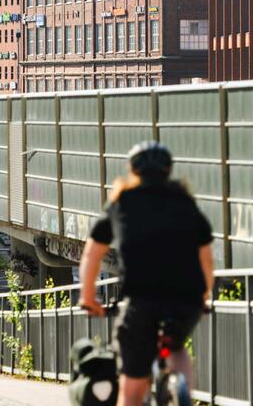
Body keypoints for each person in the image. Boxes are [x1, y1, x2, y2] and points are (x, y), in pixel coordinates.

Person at [78, 142, 214, 406]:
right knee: (176, 346)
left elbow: (92, 255)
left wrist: (88, 297)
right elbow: (206, 257)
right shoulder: (185, 202)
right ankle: (182, 392)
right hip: (186, 300)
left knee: (132, 385)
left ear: (132, 170)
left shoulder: (122, 202)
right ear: (168, 170)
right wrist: (204, 294)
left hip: (141, 300)